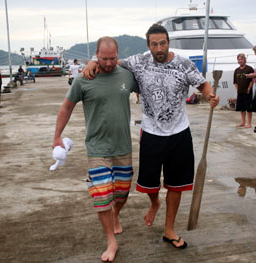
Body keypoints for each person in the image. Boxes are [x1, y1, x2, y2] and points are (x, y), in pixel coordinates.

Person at [84, 23, 219, 249]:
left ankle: (169, 230)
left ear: (169, 43)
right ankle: (155, 203)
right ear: (148, 45)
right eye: (154, 44)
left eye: (163, 43)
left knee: (176, 185)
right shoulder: (139, 61)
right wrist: (92, 61)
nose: (159, 48)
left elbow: (202, 84)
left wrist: (210, 95)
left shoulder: (183, 64)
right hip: (151, 133)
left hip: (179, 133)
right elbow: (111, 61)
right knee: (149, 184)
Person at [53, 37, 138, 261]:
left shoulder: (127, 75)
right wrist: (57, 136)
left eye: (112, 58)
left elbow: (147, 85)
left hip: (122, 146)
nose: (108, 63)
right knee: (101, 197)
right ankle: (111, 241)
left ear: (118, 55)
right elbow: (66, 107)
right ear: (95, 56)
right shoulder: (84, 78)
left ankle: (116, 215)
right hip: (97, 148)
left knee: (121, 193)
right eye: (103, 58)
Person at [233, 53, 254, 128]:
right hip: (240, 92)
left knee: (248, 108)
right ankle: (243, 122)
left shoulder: (249, 69)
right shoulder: (236, 70)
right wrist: (238, 89)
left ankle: (249, 123)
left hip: (247, 92)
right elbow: (235, 82)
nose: (240, 60)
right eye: (238, 59)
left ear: (244, 60)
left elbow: (252, 80)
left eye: (241, 59)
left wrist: (249, 88)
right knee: (241, 108)